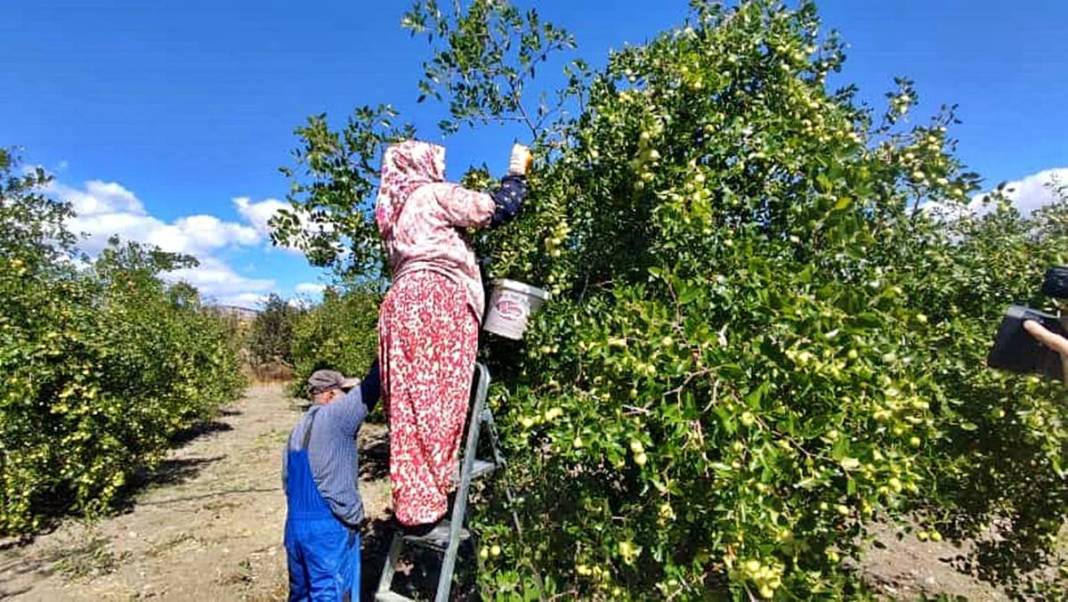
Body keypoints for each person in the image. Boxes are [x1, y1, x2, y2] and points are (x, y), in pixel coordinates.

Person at [375, 140, 530, 530]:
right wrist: (517, 174)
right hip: (436, 302)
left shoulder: (393, 214)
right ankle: (429, 506)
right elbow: (497, 209)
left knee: (410, 409)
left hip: (399, 305)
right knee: (443, 402)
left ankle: (413, 506)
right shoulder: (432, 195)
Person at [282, 362, 381, 601]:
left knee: (301, 595)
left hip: (295, 529)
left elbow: (287, 481)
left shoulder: (296, 431)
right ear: (330, 395)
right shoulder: (335, 416)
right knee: (333, 594)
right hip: (328, 530)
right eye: (343, 393)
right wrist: (390, 344)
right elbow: (371, 387)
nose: (347, 399)